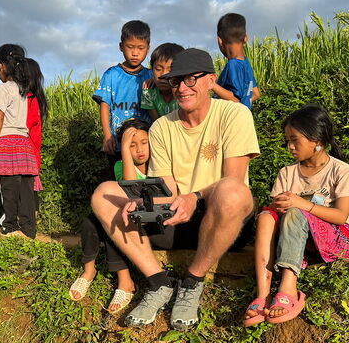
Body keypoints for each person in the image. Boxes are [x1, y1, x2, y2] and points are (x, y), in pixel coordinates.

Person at [91, 48, 260, 330]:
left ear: (210, 80)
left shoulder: (235, 115)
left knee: (234, 191)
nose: (182, 88)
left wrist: (195, 197)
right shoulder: (161, 128)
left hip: (222, 221)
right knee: (104, 193)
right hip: (176, 219)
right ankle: (159, 282)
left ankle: (192, 281)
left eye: (191, 79)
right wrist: (144, 203)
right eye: (176, 80)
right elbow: (167, 191)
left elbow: (233, 179)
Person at [244, 104, 349, 326]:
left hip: (333, 240)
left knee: (296, 211)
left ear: (317, 141)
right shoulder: (287, 173)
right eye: (287, 141)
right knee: (265, 216)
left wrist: (301, 204)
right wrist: (277, 207)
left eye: (295, 140)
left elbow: (341, 217)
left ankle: (288, 288)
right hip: (294, 238)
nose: (290, 147)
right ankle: (263, 295)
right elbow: (277, 213)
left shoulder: (342, 171)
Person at [69, 119, 150, 313]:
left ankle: (125, 282)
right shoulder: (121, 166)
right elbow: (131, 190)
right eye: (131, 145)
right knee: (91, 221)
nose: (139, 149)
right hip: (128, 213)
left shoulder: (159, 163)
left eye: (144, 143)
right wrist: (125, 153)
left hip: (147, 221)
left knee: (114, 222)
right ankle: (89, 270)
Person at [0, 44, 48, 240]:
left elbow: (0, 117)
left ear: (0, 65)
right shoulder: (24, 90)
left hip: (6, 143)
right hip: (24, 144)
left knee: (8, 188)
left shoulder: (2, 88)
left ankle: (9, 227)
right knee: (26, 190)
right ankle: (28, 230)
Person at [92, 20, 152, 175]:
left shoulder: (151, 76)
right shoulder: (111, 75)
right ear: (121, 46)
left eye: (140, 48)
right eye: (130, 47)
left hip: (146, 145)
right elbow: (105, 105)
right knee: (120, 181)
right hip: (118, 144)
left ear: (148, 48)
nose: (135, 53)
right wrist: (107, 136)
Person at [213, 13, 260, 109]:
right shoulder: (246, 64)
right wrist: (245, 102)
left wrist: (212, 85)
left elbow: (236, 100)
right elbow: (256, 94)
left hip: (233, 118)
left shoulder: (233, 65)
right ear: (245, 38)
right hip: (244, 116)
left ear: (220, 41)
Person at [141, 43, 184, 121]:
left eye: (170, 70)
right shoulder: (149, 93)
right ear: (152, 70)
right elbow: (157, 123)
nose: (163, 75)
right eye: (158, 69)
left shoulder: (185, 93)